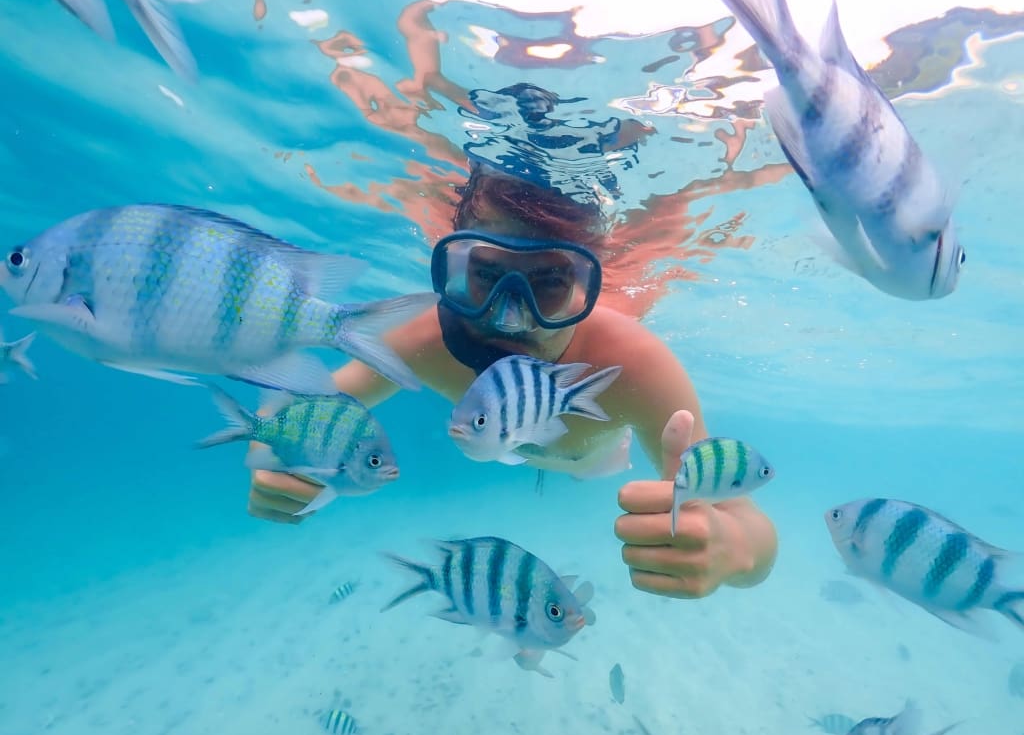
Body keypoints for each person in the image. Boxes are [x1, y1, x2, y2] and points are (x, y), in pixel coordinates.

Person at [247, 162, 778, 600]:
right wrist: (275, 448)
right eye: (486, 275)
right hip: (504, 437)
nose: (510, 319)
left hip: (591, 458)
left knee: (587, 465)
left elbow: (748, 524)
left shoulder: (632, 364)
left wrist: (732, 547)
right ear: (457, 266)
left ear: (583, 282)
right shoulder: (426, 340)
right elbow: (298, 405)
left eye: (548, 281)